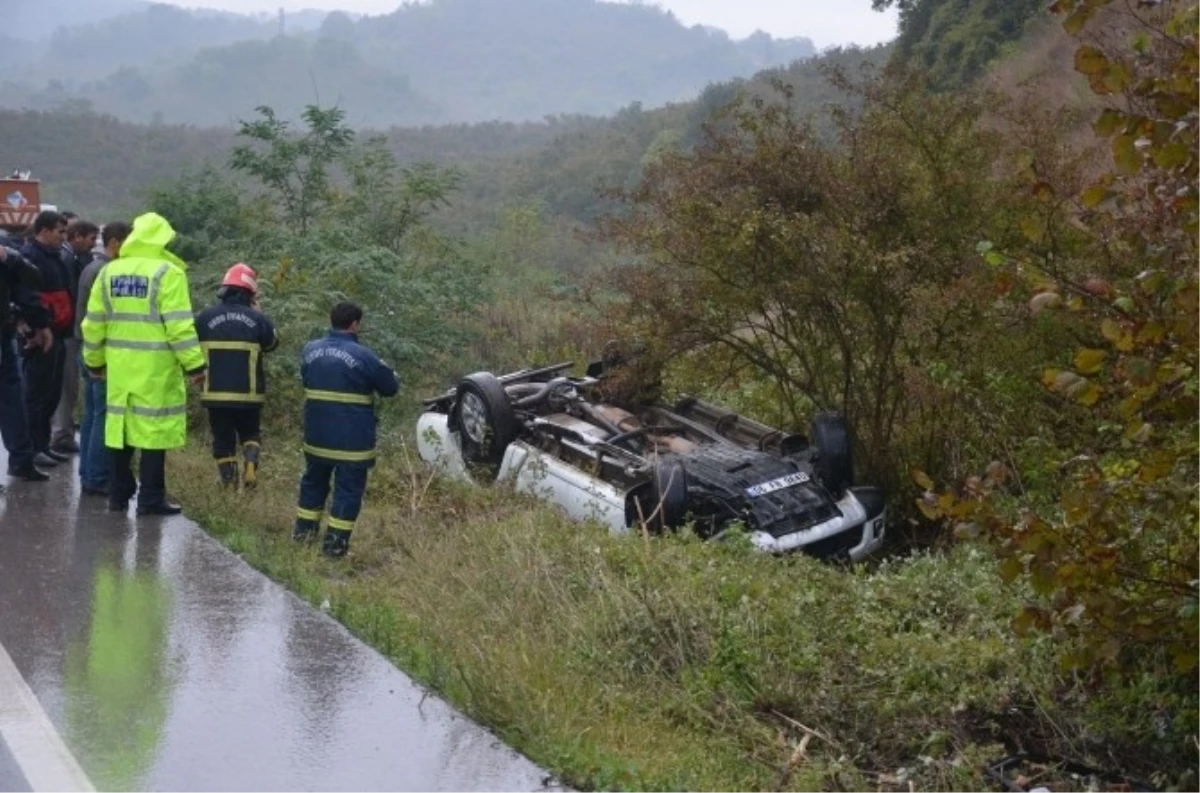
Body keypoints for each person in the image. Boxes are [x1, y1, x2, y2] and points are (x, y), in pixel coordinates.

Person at [81, 212, 206, 516]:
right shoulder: (168, 274)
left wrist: (93, 362)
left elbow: (94, 324)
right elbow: (179, 327)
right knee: (153, 433)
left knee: (119, 430)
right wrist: (195, 367)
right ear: (162, 239)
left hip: (119, 367)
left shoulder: (110, 272)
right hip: (155, 369)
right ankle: (150, 499)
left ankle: (118, 496)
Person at [294, 302, 398, 558]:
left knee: (313, 483)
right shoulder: (365, 356)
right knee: (348, 490)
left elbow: (306, 377)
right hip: (352, 441)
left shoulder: (310, 350)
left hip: (316, 436)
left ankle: (303, 536)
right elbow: (390, 387)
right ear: (355, 324)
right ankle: (335, 546)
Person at [194, 263, 279, 490]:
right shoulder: (256, 318)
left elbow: (190, 346)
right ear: (250, 294)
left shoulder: (204, 317)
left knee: (223, 439)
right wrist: (259, 315)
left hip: (215, 393)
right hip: (249, 394)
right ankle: (250, 465)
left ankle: (229, 482)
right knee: (250, 432)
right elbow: (272, 343)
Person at [75, 221, 132, 496]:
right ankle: (97, 477)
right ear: (115, 243)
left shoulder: (92, 267)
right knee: (103, 415)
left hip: (86, 349)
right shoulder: (105, 271)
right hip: (98, 352)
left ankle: (88, 472)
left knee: (91, 414)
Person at [19, 211, 72, 469]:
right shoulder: (30, 257)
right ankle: (31, 448)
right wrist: (34, 328)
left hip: (58, 332)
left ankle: (43, 445)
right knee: (36, 394)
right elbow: (27, 296)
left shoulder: (55, 257)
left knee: (51, 393)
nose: (63, 237)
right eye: (59, 232)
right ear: (43, 231)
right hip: (41, 335)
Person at [0, 243, 51, 482]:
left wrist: (10, 257)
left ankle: (21, 460)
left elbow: (33, 279)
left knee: (13, 399)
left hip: (4, 333)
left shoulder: (6, 251)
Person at [50, 219, 99, 455]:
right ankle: (61, 435)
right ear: (77, 236)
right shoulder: (68, 259)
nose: (92, 245)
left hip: (67, 330)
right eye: (91, 239)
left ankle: (63, 430)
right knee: (66, 385)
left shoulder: (73, 258)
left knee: (67, 385)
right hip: (68, 331)